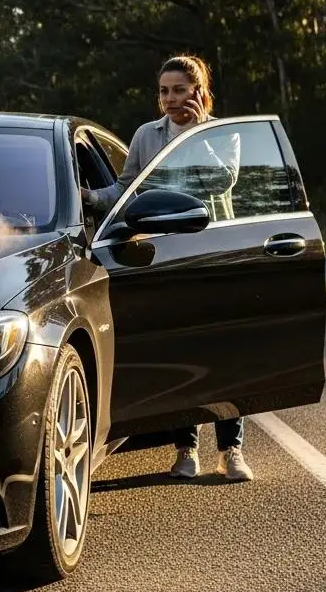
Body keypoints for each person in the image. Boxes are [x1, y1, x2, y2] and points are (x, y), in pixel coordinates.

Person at [80, 55, 253, 483]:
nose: (170, 99)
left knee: (224, 354)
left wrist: (197, 134)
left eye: (179, 90)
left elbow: (223, 181)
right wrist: (90, 198)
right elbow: (127, 188)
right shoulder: (146, 135)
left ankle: (231, 451)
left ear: (199, 92)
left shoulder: (222, 133)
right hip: (166, 256)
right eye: (163, 91)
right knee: (181, 352)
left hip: (213, 256)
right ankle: (186, 448)